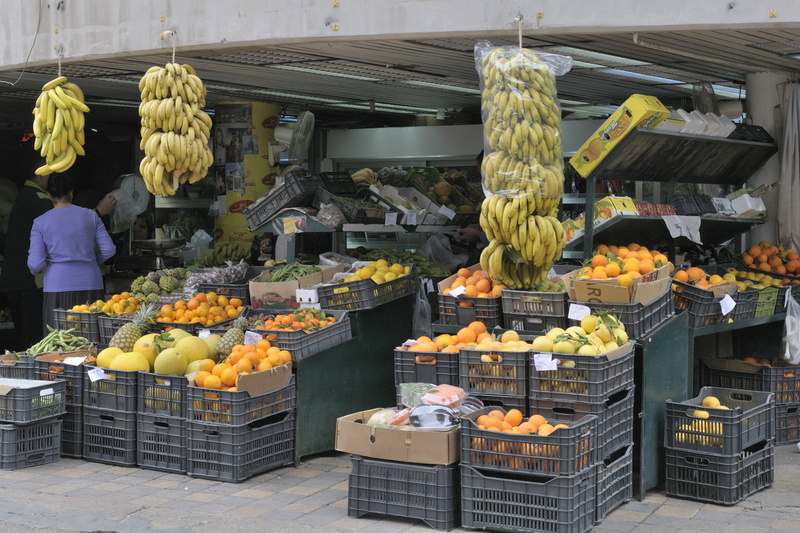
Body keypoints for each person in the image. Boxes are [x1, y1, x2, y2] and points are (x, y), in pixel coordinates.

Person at [27, 172, 116, 334]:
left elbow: (35, 264)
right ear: (71, 193)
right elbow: (109, 249)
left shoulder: (40, 222)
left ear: (48, 194)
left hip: (57, 286)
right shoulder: (90, 215)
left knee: (59, 341)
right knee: (91, 338)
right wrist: (91, 261)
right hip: (91, 283)